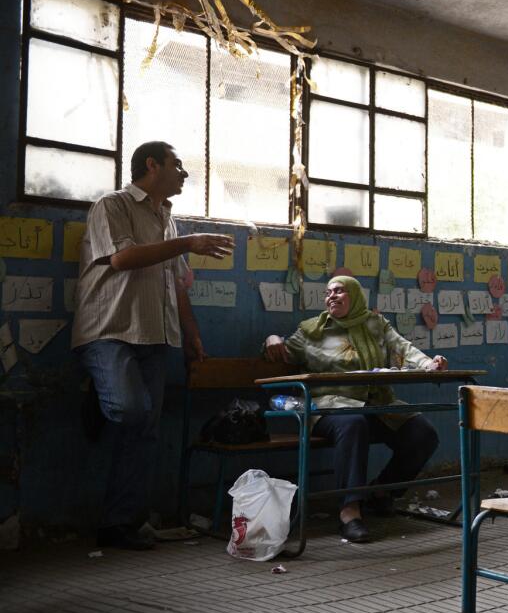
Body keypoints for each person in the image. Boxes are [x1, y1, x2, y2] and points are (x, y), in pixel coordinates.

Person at [72, 141, 234, 550]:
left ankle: (119, 523)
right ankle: (102, 392)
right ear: (151, 165)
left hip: (156, 335)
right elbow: (123, 259)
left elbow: (176, 284)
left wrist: (191, 334)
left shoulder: (167, 219)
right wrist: (187, 243)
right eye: (177, 165)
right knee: (130, 409)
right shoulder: (112, 205)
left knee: (144, 432)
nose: (184, 173)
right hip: (110, 330)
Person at [263, 275, 447, 543]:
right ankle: (349, 512)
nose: (332, 297)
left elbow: (404, 348)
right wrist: (271, 339)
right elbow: (279, 352)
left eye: (339, 291)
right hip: (329, 409)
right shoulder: (312, 331)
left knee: (422, 433)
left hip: (377, 405)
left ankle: (382, 492)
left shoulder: (376, 324)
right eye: (328, 293)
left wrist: (430, 364)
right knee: (353, 423)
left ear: (356, 296)